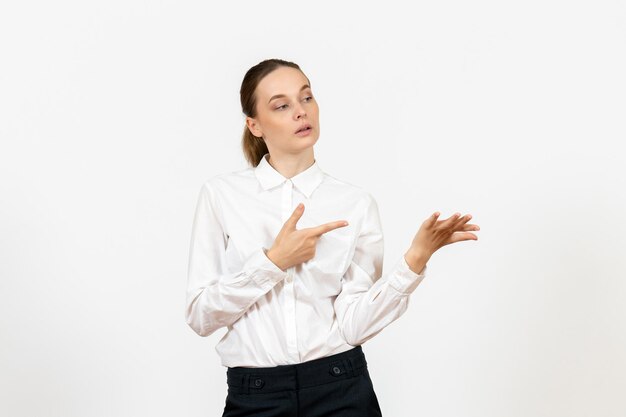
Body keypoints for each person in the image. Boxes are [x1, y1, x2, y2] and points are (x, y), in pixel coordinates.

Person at [184, 58, 480, 417]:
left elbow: (354, 326)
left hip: (340, 388)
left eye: (306, 98)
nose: (300, 112)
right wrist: (273, 262)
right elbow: (201, 316)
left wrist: (415, 260)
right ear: (254, 124)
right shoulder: (222, 196)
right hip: (256, 396)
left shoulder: (354, 203)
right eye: (282, 105)